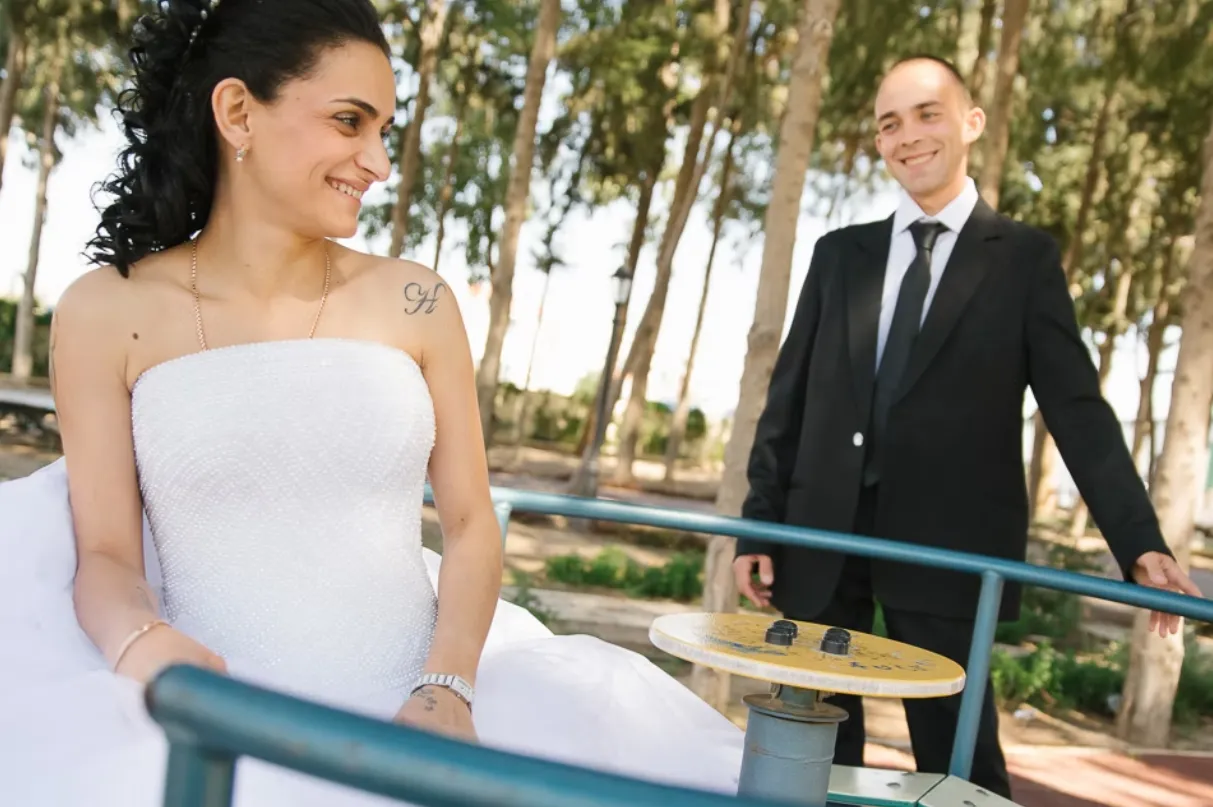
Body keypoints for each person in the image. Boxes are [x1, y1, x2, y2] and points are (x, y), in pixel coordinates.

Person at [0, 2, 744, 804]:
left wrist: (448, 686)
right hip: (217, 719)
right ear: (238, 111)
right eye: (350, 121)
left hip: (420, 713)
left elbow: (468, 525)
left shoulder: (418, 300)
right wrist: (145, 648)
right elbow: (106, 555)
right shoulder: (102, 311)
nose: (379, 161)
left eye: (385, 128)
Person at [731, 54, 1203, 800]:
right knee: (808, 766)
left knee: (958, 770)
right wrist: (760, 530)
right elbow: (785, 402)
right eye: (889, 123)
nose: (907, 136)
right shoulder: (837, 257)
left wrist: (1137, 540)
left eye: (926, 114)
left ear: (970, 123)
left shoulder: (1023, 260)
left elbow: (1076, 408)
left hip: (950, 553)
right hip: (821, 542)